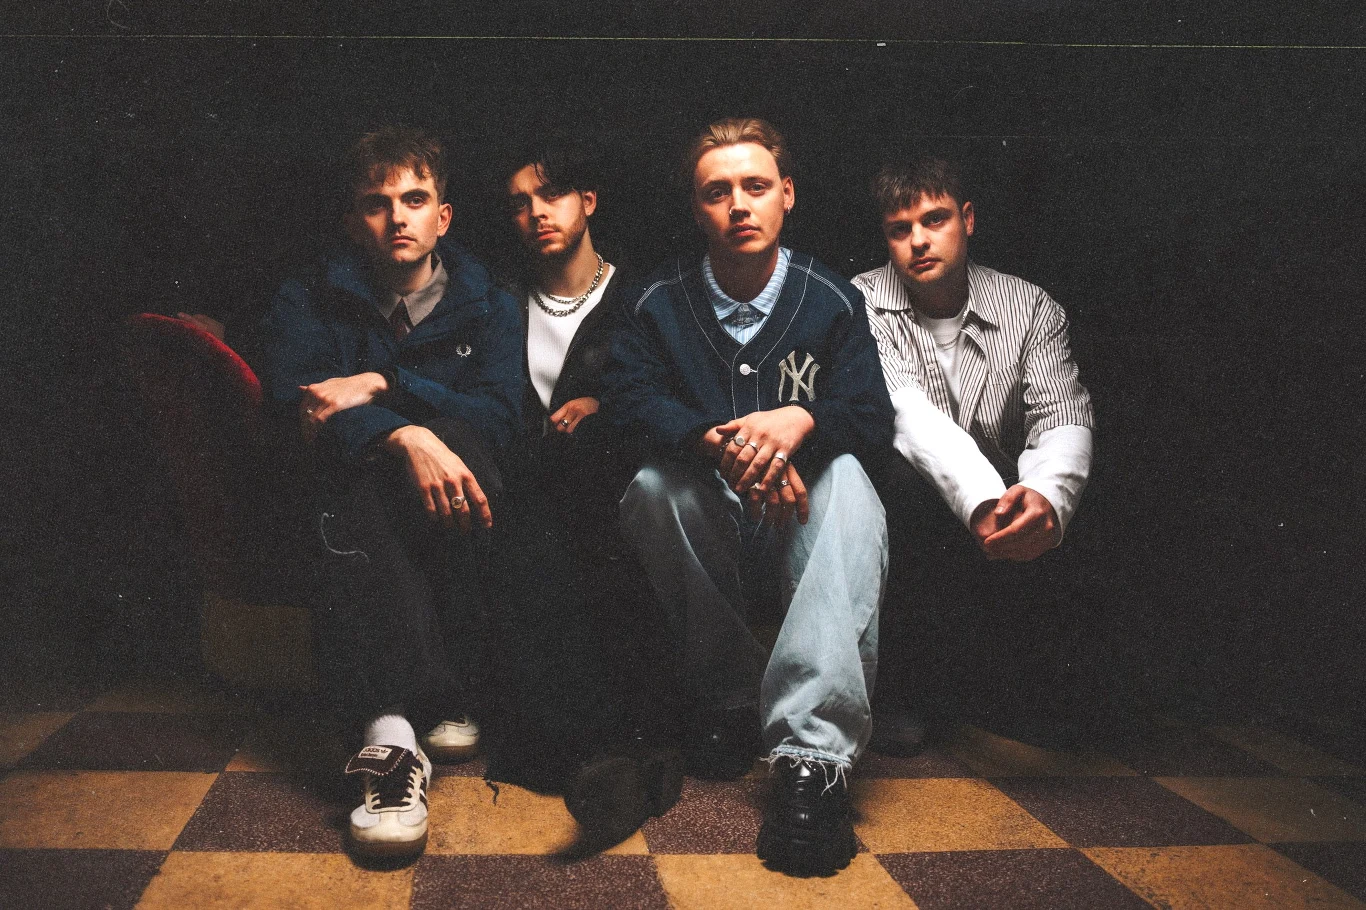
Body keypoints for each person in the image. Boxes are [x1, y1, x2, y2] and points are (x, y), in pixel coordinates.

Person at [603, 117, 894, 875]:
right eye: (718, 192)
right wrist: (717, 442)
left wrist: (802, 420)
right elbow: (627, 402)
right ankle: (728, 702)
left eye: (756, 186)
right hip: (712, 520)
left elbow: (871, 415)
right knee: (653, 487)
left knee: (852, 484)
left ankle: (812, 759)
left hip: (800, 522)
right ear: (696, 209)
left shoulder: (830, 298)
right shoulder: (655, 299)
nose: (739, 204)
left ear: (787, 195)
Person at [256, 127, 522, 858]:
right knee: (363, 475)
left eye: (415, 199)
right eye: (377, 204)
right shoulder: (308, 297)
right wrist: (404, 435)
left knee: (458, 441)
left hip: (459, 510)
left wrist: (386, 385)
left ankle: (417, 700)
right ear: (353, 222)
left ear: (444, 216)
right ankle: (398, 733)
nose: (398, 217)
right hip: (346, 504)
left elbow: (502, 417)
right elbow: (300, 404)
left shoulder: (490, 301)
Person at [476, 138, 683, 845]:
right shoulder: (499, 300)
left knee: (586, 538)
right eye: (520, 204)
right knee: (529, 542)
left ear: (587, 202)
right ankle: (604, 756)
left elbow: (671, 393)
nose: (537, 213)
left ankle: (620, 749)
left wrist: (605, 405)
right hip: (523, 495)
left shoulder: (641, 298)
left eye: (552, 195)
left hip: (607, 489)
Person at [853, 156, 1095, 753]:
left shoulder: (1030, 305)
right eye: (900, 229)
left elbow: (1062, 416)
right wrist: (986, 503)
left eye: (934, 220)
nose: (918, 241)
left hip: (1010, 492)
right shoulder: (860, 300)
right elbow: (907, 412)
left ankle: (1018, 687)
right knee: (893, 475)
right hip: (914, 501)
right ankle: (902, 690)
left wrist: (1045, 496)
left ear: (967, 220)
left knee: (1071, 494)